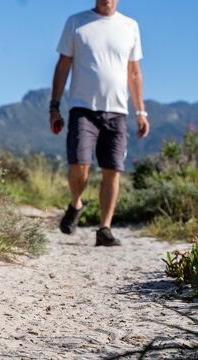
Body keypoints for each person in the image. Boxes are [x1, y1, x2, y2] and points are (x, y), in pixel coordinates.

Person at [49, 0, 150, 246]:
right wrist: (54, 105)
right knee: (79, 165)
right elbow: (63, 66)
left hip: (117, 111)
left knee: (112, 170)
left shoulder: (130, 26)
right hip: (83, 108)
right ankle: (76, 203)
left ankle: (104, 228)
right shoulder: (76, 22)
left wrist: (141, 111)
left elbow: (134, 72)